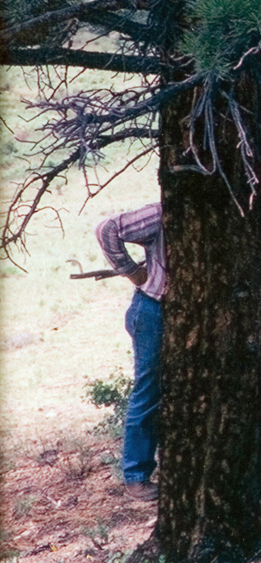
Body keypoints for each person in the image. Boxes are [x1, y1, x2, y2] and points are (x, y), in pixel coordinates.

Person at [96, 203, 167, 502]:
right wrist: (132, 272)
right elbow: (107, 229)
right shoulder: (163, 213)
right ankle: (136, 475)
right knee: (149, 390)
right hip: (153, 309)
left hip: (180, 313)